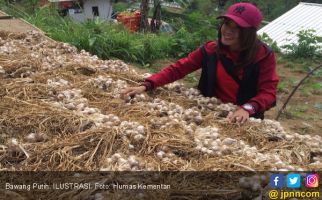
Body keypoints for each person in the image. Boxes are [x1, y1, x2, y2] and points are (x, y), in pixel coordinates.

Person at [121, 2, 278, 124]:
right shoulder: (211, 50)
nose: (228, 31)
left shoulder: (262, 56)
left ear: (249, 34)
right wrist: (147, 85)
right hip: (211, 110)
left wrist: (248, 108)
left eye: (237, 28)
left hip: (242, 117)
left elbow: (268, 92)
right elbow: (178, 69)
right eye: (226, 24)